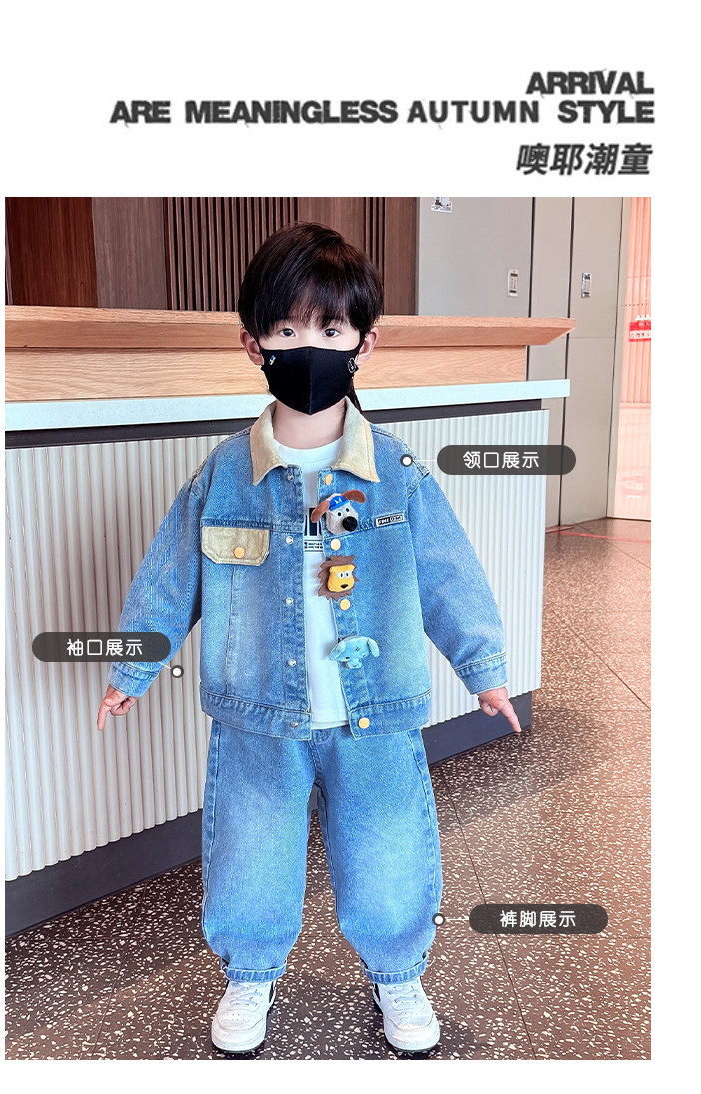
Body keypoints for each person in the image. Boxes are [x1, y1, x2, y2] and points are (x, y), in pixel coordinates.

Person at [96, 222, 521, 1057]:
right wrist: (131, 667)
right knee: (250, 851)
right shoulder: (225, 476)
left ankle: (398, 974)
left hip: (377, 713)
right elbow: (169, 579)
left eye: (330, 328)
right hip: (258, 713)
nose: (309, 348)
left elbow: (449, 575)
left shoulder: (397, 474)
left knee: (387, 847)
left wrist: (485, 668)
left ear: (365, 341)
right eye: (287, 329)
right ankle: (250, 975)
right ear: (253, 343)